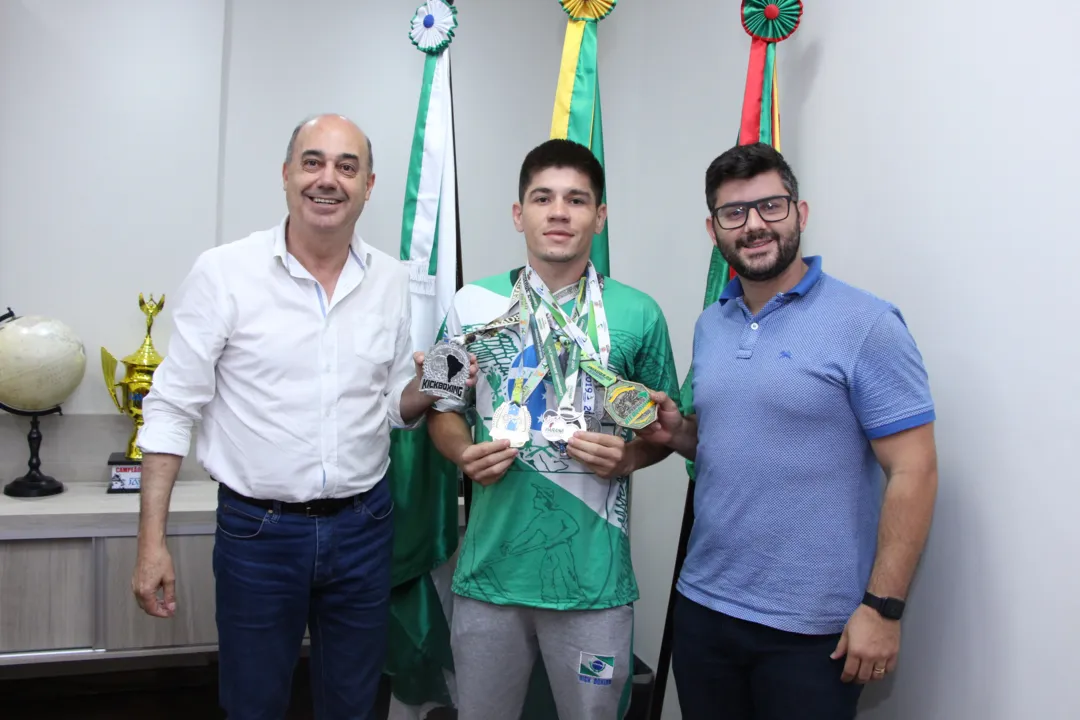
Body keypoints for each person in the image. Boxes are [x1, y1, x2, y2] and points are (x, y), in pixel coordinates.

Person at [131, 114, 475, 720]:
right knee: (255, 704)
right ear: (286, 174)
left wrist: (433, 384)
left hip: (365, 528)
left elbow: (395, 404)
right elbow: (169, 407)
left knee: (352, 704)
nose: (328, 179)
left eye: (348, 167)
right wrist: (151, 542)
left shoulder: (395, 282)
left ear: (369, 186)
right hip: (259, 534)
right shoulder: (224, 273)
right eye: (313, 161)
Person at [638, 142, 939, 719]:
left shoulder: (867, 324)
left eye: (771, 206)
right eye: (734, 213)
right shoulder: (711, 324)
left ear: (800, 214)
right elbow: (734, 443)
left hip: (812, 630)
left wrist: (883, 607)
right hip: (704, 609)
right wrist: (680, 434)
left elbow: (915, 469)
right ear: (713, 228)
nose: (754, 225)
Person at [426, 138, 680, 720]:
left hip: (594, 582)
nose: (559, 212)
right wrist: (463, 454)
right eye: (543, 198)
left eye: (576, 199)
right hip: (490, 577)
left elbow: (665, 430)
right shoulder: (469, 304)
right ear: (520, 214)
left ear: (600, 216)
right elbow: (440, 408)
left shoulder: (640, 313)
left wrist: (630, 459)